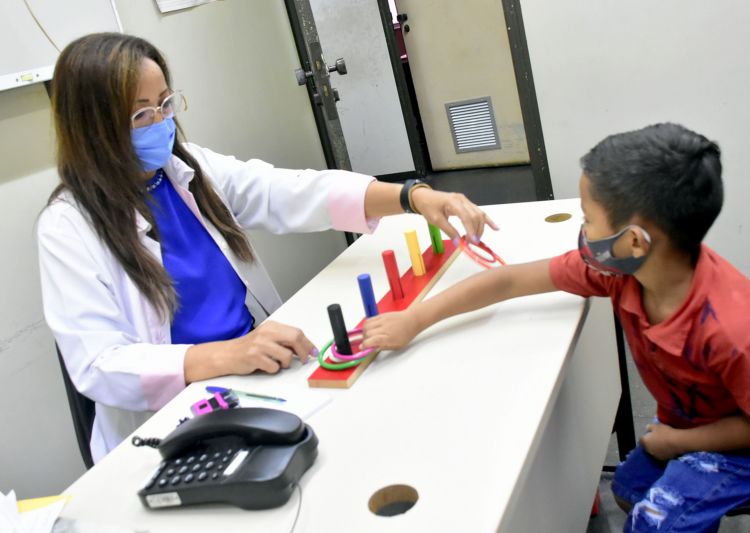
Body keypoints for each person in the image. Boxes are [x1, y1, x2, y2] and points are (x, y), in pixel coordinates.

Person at [37, 32, 496, 462]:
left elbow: (291, 191)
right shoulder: (68, 227)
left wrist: (411, 196)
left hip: (252, 372)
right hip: (173, 417)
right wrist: (229, 354)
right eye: (142, 115)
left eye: (165, 105)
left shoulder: (187, 170)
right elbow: (99, 364)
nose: (161, 124)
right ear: (94, 128)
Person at [362, 123, 750, 532]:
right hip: (697, 421)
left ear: (634, 241)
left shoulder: (735, 329)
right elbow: (511, 279)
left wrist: (677, 443)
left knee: (654, 520)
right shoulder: (622, 272)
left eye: (589, 219)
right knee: (628, 489)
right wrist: (415, 318)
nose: (582, 229)